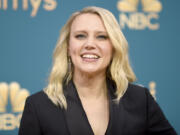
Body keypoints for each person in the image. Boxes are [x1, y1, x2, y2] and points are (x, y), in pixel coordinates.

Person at [18, 6, 177, 135]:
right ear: (68, 47)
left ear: (114, 47)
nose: (90, 44)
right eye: (80, 36)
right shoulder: (38, 105)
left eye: (101, 37)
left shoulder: (141, 100)